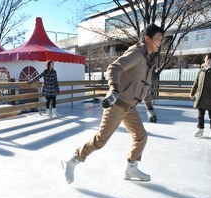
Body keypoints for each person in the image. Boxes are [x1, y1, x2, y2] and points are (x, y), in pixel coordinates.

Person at [62, 23, 164, 184]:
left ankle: (131, 168)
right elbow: (114, 67)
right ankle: (73, 160)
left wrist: (150, 109)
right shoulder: (137, 53)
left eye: (161, 39)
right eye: (158, 39)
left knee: (141, 136)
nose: (160, 42)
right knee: (100, 140)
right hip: (117, 103)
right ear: (147, 39)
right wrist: (114, 89)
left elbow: (145, 87)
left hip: (130, 107)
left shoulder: (149, 60)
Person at [190, 53, 211, 138]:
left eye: (210, 60)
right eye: (207, 59)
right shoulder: (202, 69)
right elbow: (196, 82)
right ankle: (200, 129)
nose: (208, 61)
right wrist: (192, 92)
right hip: (201, 96)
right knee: (200, 115)